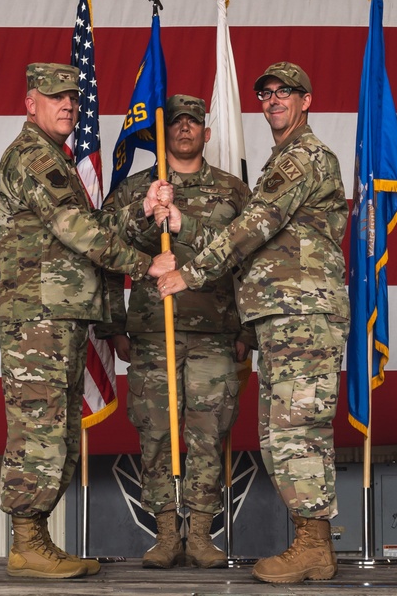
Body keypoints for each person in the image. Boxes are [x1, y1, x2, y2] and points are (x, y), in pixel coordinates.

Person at [157, 63, 349, 583]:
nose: (273, 99)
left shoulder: (305, 156)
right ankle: (311, 545)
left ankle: (313, 546)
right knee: (279, 431)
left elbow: (253, 226)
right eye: (265, 92)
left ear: (306, 100)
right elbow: (258, 232)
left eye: (285, 92)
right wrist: (187, 225)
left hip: (303, 314)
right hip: (285, 315)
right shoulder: (282, 159)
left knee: (296, 430)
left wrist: (188, 273)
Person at [0, 62, 174, 579]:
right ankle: (26, 543)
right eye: (54, 97)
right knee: (39, 428)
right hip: (37, 318)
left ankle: (37, 540)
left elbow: (91, 222)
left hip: (60, 314)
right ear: (30, 102)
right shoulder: (31, 157)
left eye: (72, 96)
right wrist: (145, 264)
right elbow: (74, 228)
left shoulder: (57, 158)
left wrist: (142, 208)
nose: (67, 104)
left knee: (59, 428)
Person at [97, 94, 254, 570]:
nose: (185, 129)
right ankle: (166, 534)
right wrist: (112, 325)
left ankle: (202, 534)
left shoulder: (232, 191)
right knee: (156, 435)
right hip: (150, 332)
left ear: (207, 133)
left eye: (193, 122)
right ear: (162, 134)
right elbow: (104, 255)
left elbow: (250, 259)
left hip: (215, 333)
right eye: (176, 123)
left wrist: (248, 328)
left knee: (209, 434)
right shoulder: (133, 192)